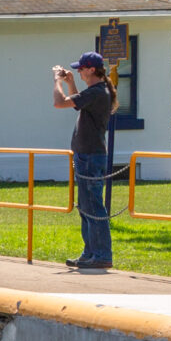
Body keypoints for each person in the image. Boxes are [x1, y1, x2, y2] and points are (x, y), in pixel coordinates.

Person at [54, 49, 116, 270]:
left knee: (93, 206)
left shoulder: (98, 92)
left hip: (90, 156)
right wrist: (71, 83)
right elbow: (77, 103)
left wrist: (57, 82)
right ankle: (90, 252)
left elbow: (60, 103)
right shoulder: (96, 92)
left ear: (91, 70)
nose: (78, 72)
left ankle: (101, 255)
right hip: (86, 155)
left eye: (81, 69)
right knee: (86, 206)